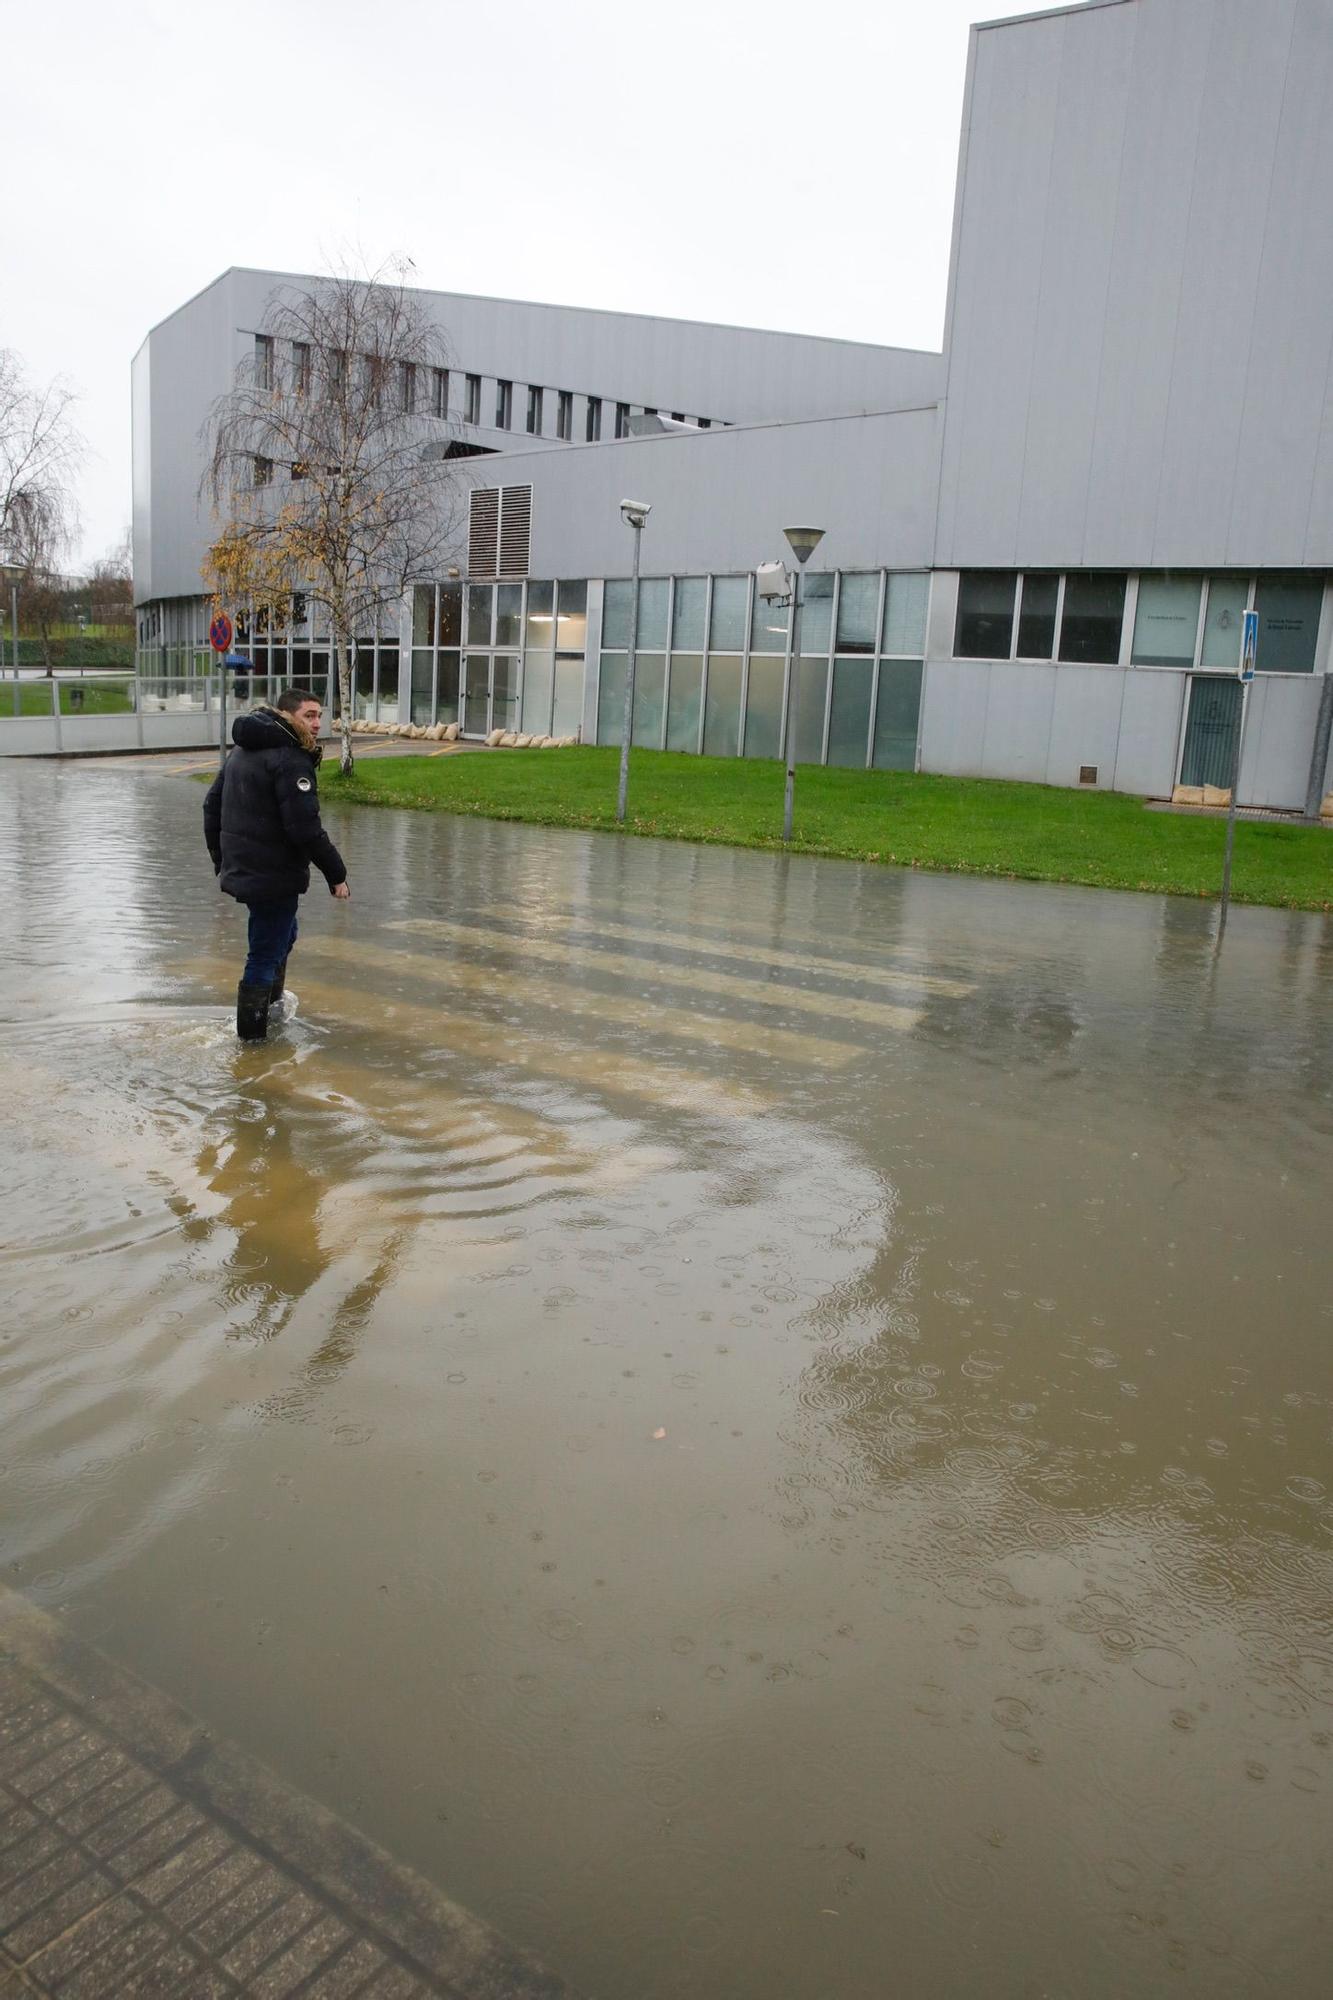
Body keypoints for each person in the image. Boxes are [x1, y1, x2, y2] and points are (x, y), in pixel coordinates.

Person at [203, 686, 350, 1041]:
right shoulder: (289, 758)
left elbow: (211, 807)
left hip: (251, 871)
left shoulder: (243, 750)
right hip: (273, 875)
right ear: (288, 716)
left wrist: (223, 863)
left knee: (283, 934)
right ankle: (252, 1044)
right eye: (308, 716)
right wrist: (337, 874)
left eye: (319, 715)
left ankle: (270, 1012)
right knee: (264, 952)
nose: (317, 724)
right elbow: (305, 829)